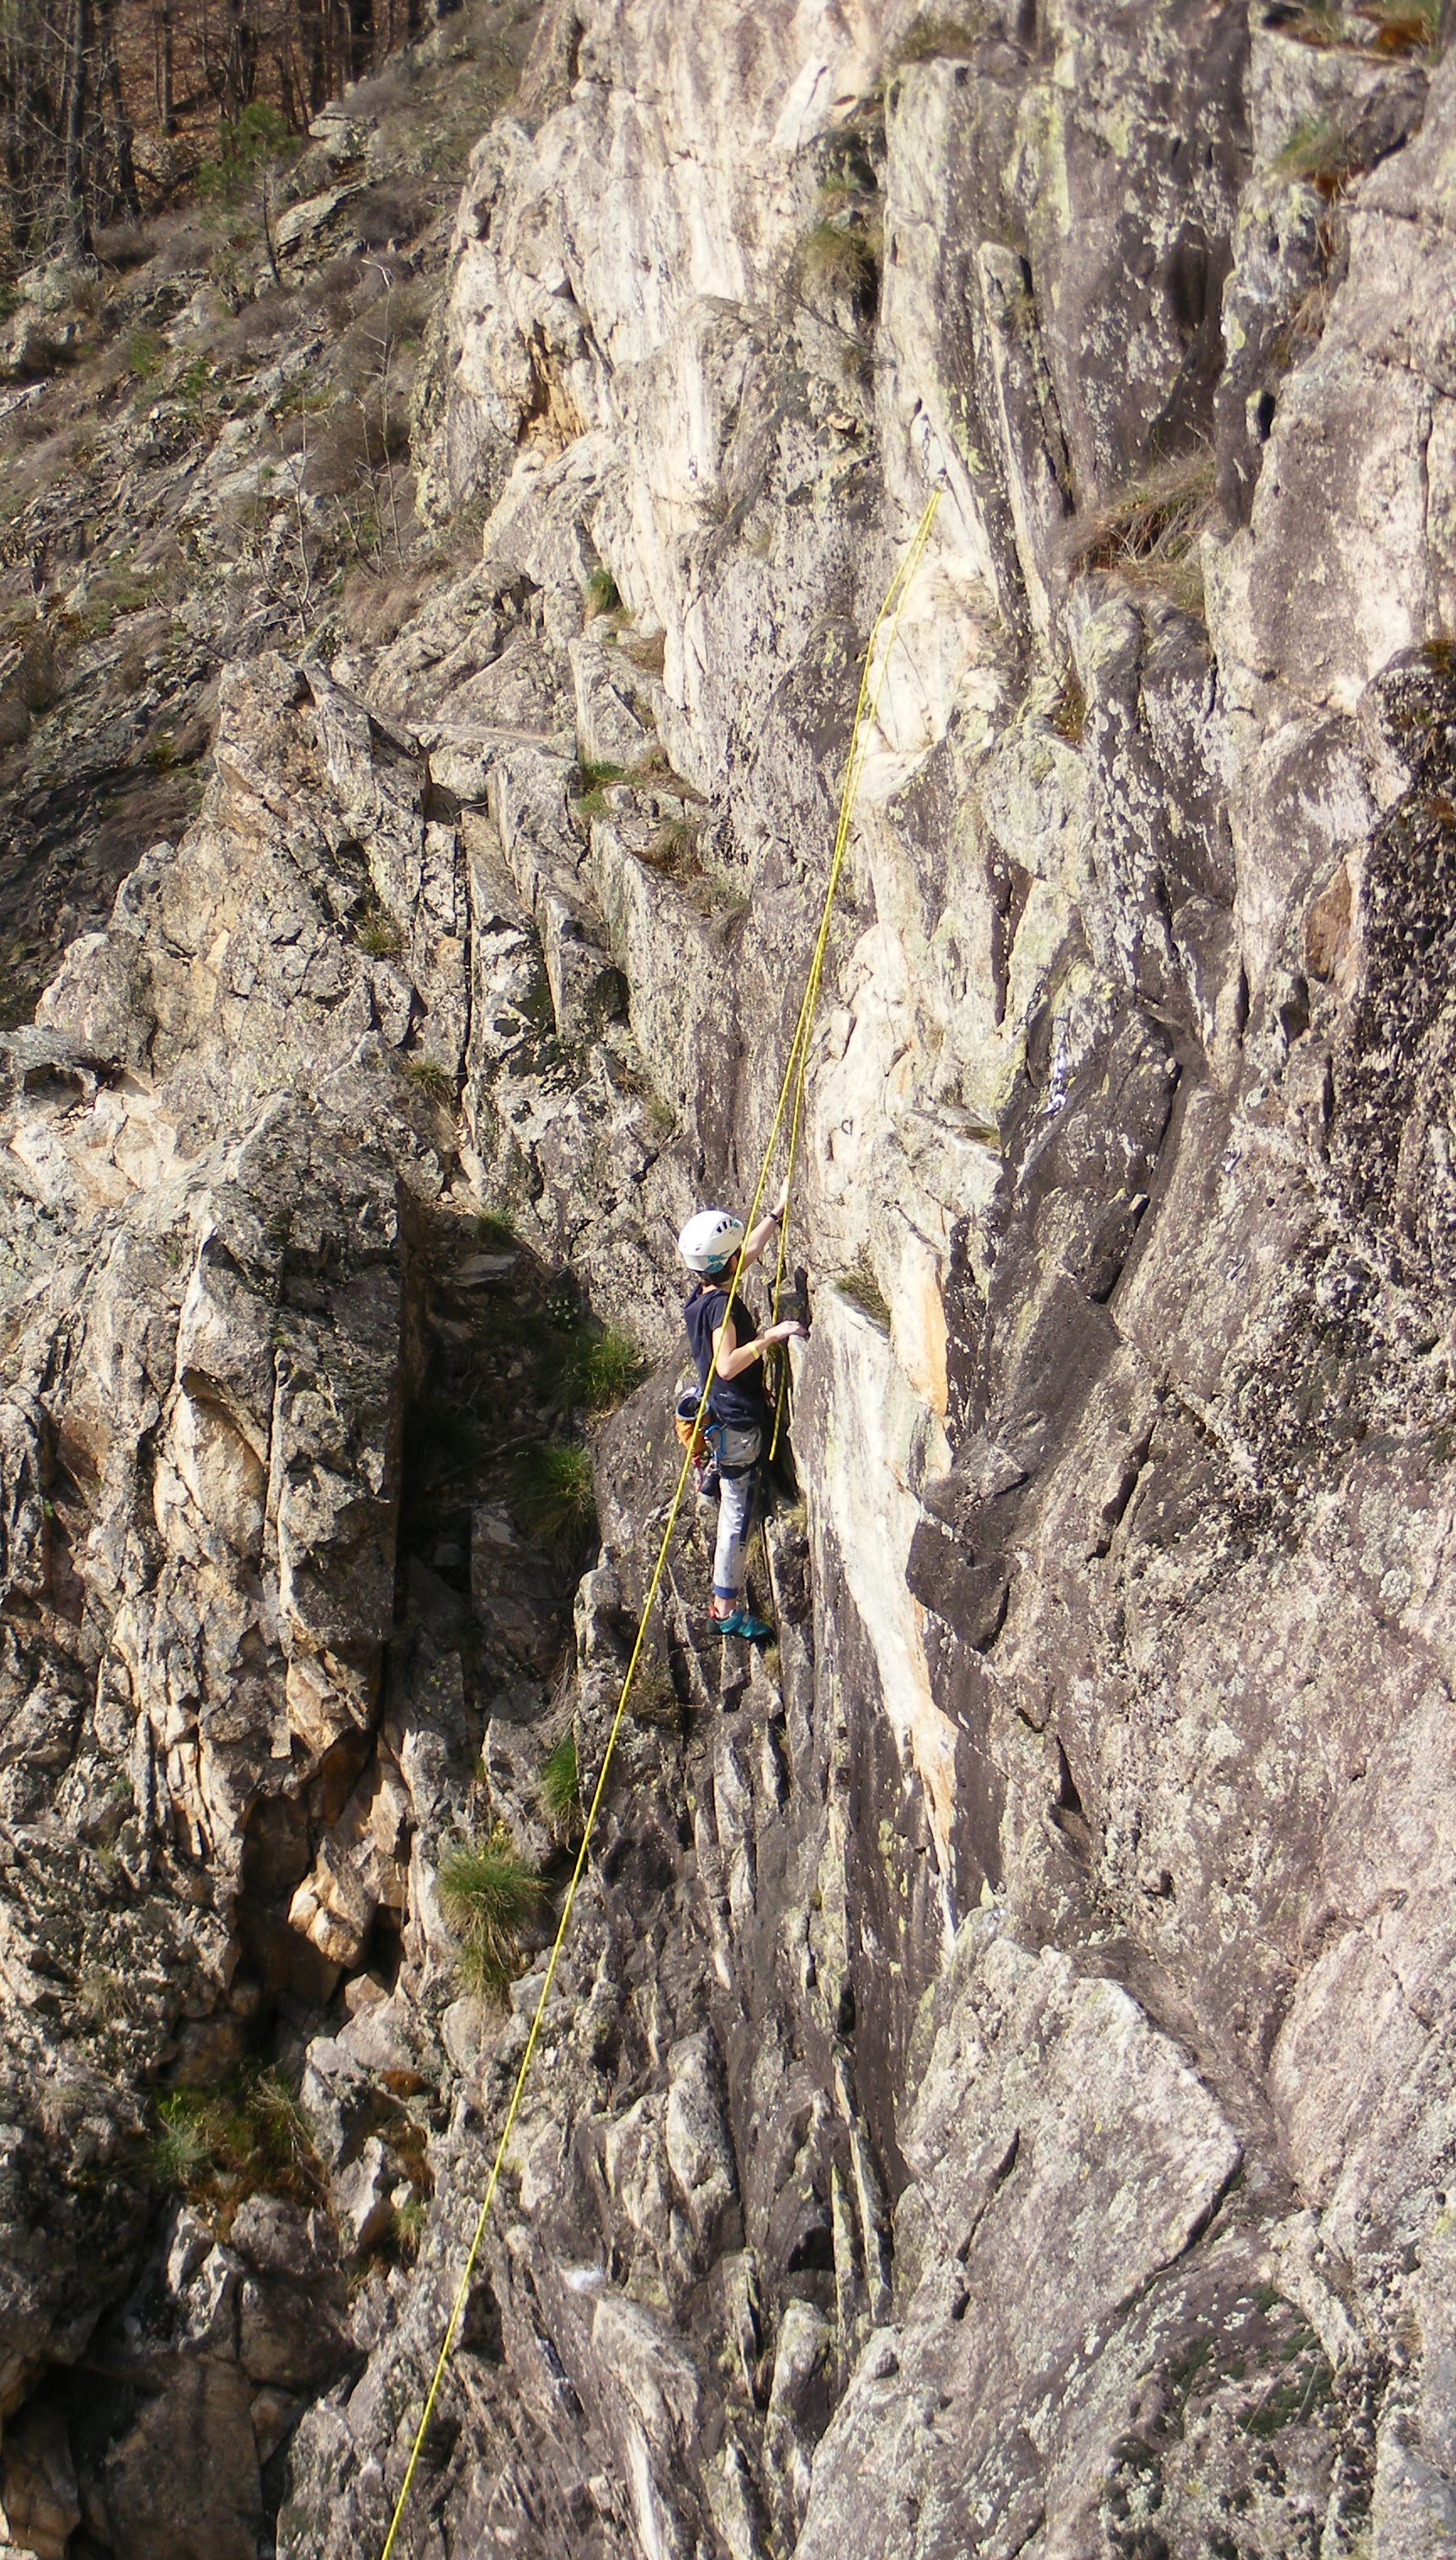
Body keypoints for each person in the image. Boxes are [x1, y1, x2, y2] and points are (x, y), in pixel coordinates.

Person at [678, 1181, 808, 1640]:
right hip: (736, 1419)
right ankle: (725, 1606)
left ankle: (717, 1474)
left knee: (734, 1493)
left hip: (722, 1413)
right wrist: (772, 1337)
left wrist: (775, 1212)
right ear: (725, 1263)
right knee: (737, 1512)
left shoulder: (706, 1292)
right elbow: (728, 1365)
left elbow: (745, 1253)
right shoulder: (722, 1313)